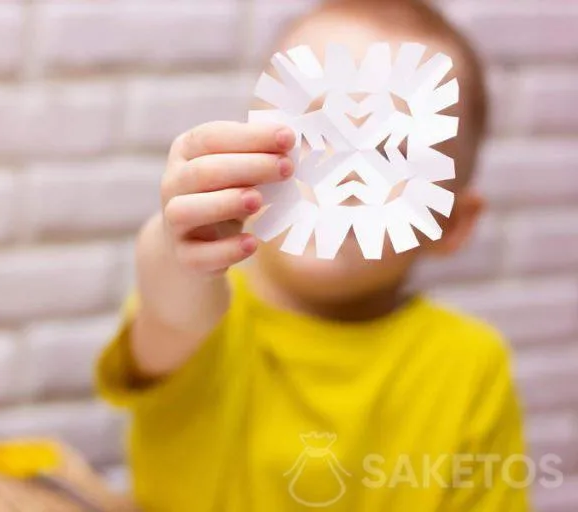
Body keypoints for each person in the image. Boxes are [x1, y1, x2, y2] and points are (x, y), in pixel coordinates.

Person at [96, 0, 530, 510]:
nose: (344, 177)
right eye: (312, 136)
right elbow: (171, 303)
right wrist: (181, 243)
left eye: (391, 155)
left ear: (450, 223)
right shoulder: (208, 316)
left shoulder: (471, 365)